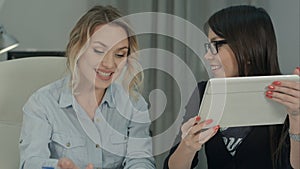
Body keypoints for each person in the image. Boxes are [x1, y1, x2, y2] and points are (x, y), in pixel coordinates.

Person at [19, 5, 155, 169]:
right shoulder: (42, 103)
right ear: (77, 48)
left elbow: (140, 160)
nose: (109, 64)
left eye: (119, 54)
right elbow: (31, 162)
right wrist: (58, 167)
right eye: (99, 50)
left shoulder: (134, 104)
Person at [164, 5, 300, 169]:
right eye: (208, 46)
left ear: (247, 46)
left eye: (216, 45)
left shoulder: (286, 96)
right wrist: (188, 146)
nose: (207, 56)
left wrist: (296, 118)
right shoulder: (205, 92)